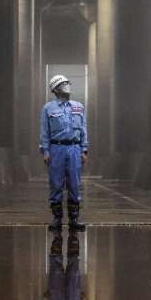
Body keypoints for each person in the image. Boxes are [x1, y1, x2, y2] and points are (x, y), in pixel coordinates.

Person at [39, 74, 88, 231]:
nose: (67, 85)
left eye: (67, 82)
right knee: (56, 184)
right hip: (56, 149)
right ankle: (57, 219)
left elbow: (83, 129)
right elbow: (44, 132)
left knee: (74, 183)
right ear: (55, 89)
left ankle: (74, 220)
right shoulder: (48, 108)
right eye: (63, 83)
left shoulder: (78, 106)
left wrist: (84, 149)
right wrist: (45, 151)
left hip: (74, 149)